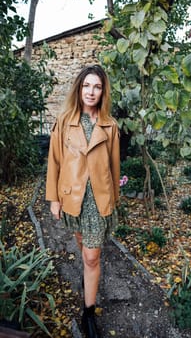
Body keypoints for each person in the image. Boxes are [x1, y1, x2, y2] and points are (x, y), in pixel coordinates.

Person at [45, 64, 120, 338]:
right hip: (72, 197)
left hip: (98, 200)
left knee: (91, 255)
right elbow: (54, 161)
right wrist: (53, 198)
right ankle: (88, 275)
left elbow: (114, 168)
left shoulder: (110, 125)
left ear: (103, 92)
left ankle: (88, 312)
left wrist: (114, 200)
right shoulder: (64, 121)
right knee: (83, 246)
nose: (91, 91)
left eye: (97, 87)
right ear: (79, 88)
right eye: (87, 86)